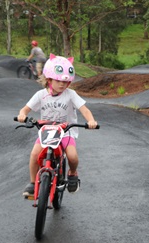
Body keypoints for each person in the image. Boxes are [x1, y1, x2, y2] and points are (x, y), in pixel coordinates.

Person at [17, 53, 98, 197]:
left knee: (72, 156)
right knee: (35, 154)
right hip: (47, 131)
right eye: (58, 80)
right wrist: (22, 115)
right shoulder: (40, 95)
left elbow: (84, 110)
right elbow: (25, 109)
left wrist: (91, 120)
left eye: (65, 82)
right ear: (49, 79)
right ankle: (32, 183)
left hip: (65, 132)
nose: (62, 84)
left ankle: (72, 173)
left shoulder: (71, 94)